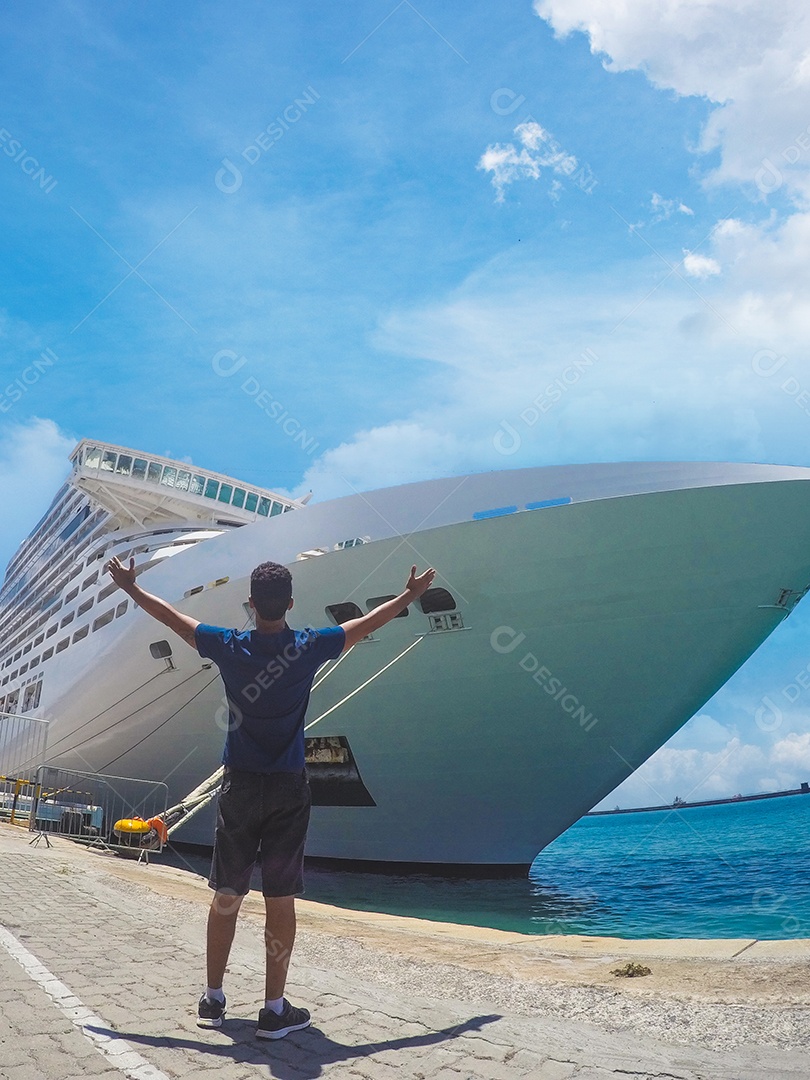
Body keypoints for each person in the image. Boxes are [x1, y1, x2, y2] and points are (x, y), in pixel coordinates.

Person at [105, 554, 436, 1039]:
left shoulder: (227, 644)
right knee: (280, 899)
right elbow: (365, 623)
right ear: (291, 603)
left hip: (238, 786)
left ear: (251, 604)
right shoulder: (310, 646)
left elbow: (169, 617)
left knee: (226, 895)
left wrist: (130, 587)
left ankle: (214, 999)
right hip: (287, 787)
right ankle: (274, 1010)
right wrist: (410, 595)